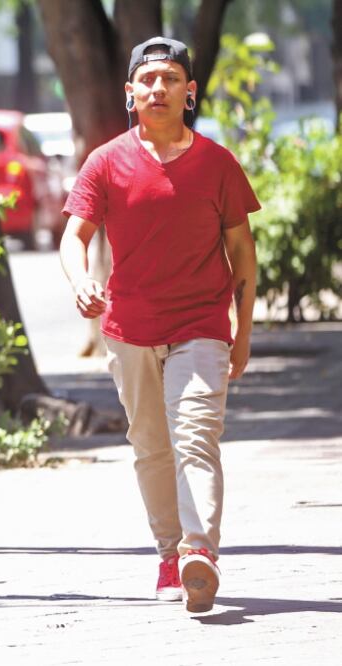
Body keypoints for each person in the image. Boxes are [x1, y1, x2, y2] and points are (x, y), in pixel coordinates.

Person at [59, 37, 259, 613]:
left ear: (189, 92)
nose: (158, 89)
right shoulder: (106, 161)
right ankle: (170, 552)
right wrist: (81, 283)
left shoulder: (217, 163)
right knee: (151, 448)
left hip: (201, 325)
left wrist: (242, 332)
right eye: (147, 80)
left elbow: (243, 254)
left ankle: (201, 552)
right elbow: (75, 237)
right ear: (130, 93)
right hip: (129, 330)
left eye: (171, 79)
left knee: (195, 437)